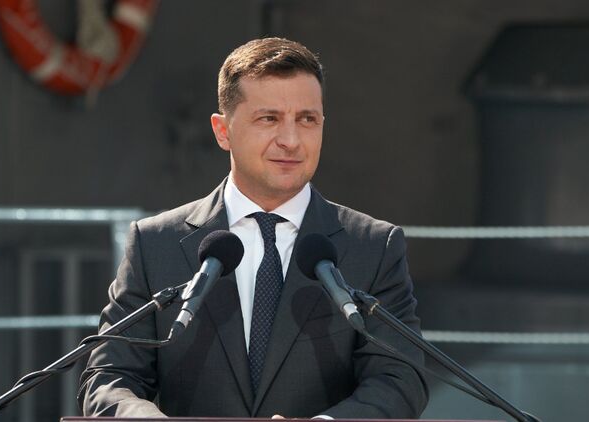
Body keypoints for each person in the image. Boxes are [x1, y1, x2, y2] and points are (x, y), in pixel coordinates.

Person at [79, 37, 428, 419]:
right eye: (269, 119)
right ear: (222, 131)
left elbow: (400, 378)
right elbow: (110, 378)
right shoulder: (155, 244)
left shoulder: (374, 246)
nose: (291, 140)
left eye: (307, 119)